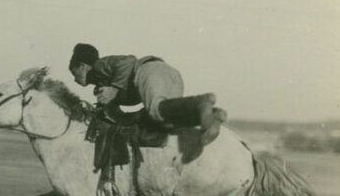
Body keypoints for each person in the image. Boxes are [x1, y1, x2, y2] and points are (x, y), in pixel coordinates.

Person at [68, 43, 225, 140]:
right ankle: (210, 115)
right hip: (168, 73)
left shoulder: (99, 66)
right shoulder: (104, 82)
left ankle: (201, 101)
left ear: (82, 66)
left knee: (155, 110)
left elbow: (128, 61)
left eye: (74, 73)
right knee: (168, 121)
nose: (75, 80)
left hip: (148, 71)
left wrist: (114, 90)